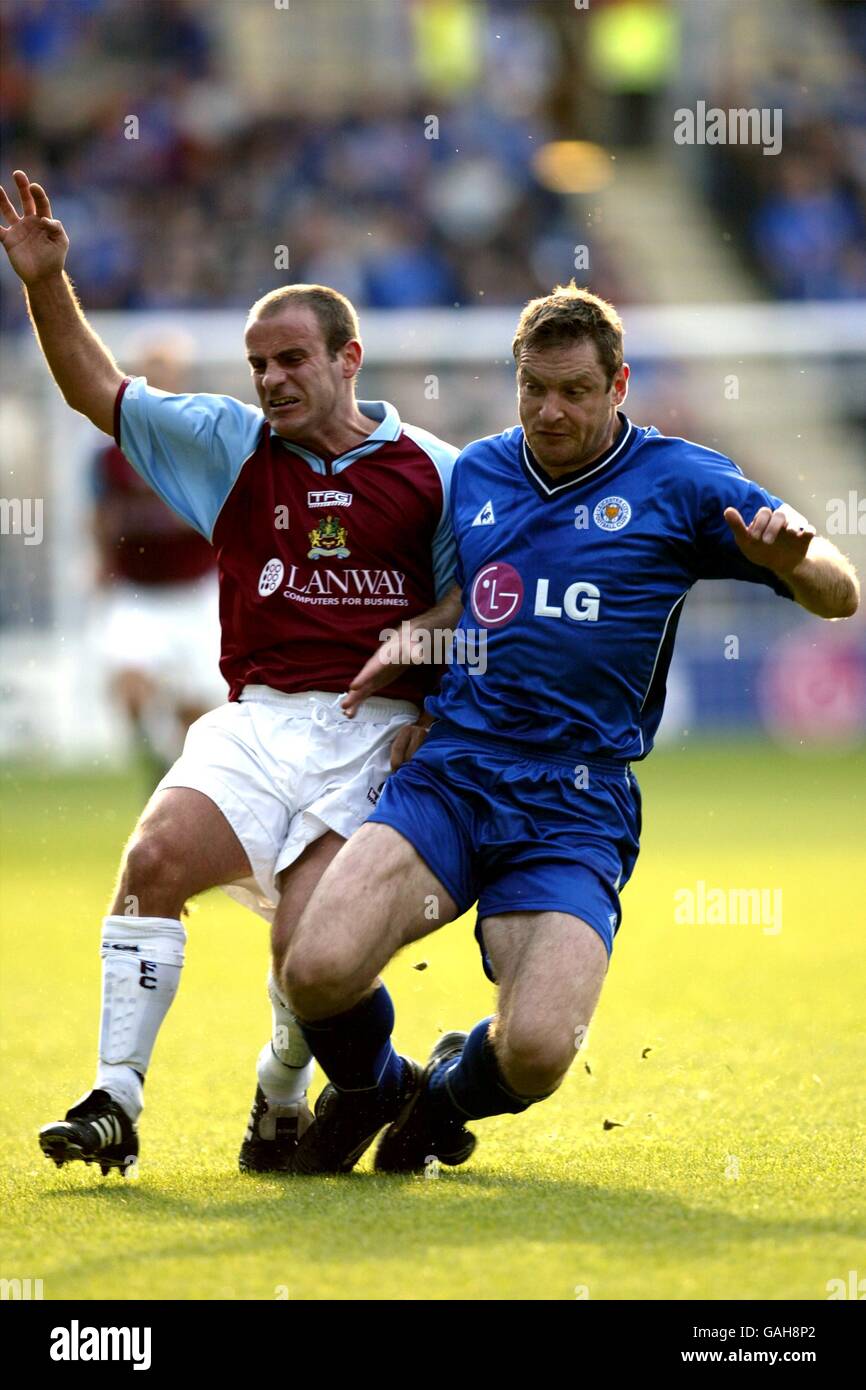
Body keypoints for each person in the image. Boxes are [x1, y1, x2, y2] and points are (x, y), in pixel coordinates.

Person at [279, 281, 860, 1175]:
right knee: (314, 969)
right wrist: (419, 654)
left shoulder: (682, 481)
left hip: (577, 803)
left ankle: (440, 1098)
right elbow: (480, 597)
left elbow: (838, 589)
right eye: (533, 388)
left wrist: (798, 561)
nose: (550, 410)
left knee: (540, 1052)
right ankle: (374, 1086)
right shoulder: (476, 471)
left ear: (618, 384)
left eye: (575, 391)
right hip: (456, 773)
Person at [0, 169, 460, 1176]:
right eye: (258, 363)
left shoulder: (437, 470)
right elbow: (95, 390)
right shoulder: (226, 444)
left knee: (309, 956)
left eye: (293, 359)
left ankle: (286, 1087)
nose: (272, 380)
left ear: (348, 358)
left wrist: (430, 678)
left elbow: (472, 616)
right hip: (253, 721)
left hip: (370, 735)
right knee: (152, 862)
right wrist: (44, 285)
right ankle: (115, 1096)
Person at [91, 334, 224, 788]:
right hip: (138, 593)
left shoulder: (202, 447)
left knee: (198, 713)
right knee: (128, 689)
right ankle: (155, 764)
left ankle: (179, 780)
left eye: (168, 372)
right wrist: (98, 561)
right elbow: (101, 514)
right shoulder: (111, 454)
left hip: (196, 592)